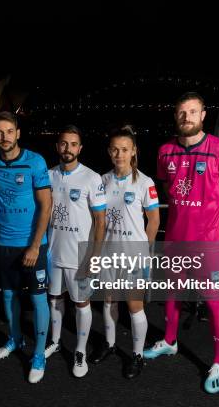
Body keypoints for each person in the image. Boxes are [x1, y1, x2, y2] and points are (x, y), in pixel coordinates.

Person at [143, 92, 219, 394]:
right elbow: (167, 187)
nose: (186, 117)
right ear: (175, 117)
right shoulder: (164, 152)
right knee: (171, 293)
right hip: (175, 239)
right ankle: (170, 342)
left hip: (208, 245)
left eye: (193, 111)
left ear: (203, 116)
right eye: (181, 112)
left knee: (213, 302)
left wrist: (216, 230)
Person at [0, 111, 52, 384]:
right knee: (9, 296)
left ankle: (39, 355)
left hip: (33, 245)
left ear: (18, 133)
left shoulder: (35, 162)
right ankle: (15, 339)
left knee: (37, 298)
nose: (4, 137)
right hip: (5, 244)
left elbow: (47, 205)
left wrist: (35, 246)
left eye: (9, 131)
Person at [89, 125, 159, 379]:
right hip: (108, 253)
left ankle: (137, 355)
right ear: (109, 152)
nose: (120, 154)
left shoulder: (145, 182)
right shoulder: (102, 181)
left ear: (133, 152)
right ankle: (109, 344)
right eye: (115, 150)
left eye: (125, 150)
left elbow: (154, 221)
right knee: (109, 300)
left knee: (134, 305)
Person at [44, 125, 106, 378]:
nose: (67, 148)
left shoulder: (92, 178)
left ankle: (79, 350)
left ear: (80, 148)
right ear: (58, 146)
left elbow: (101, 222)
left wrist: (95, 255)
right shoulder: (48, 175)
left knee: (81, 303)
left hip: (79, 255)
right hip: (52, 253)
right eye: (63, 143)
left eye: (73, 144)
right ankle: (56, 341)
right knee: (55, 299)